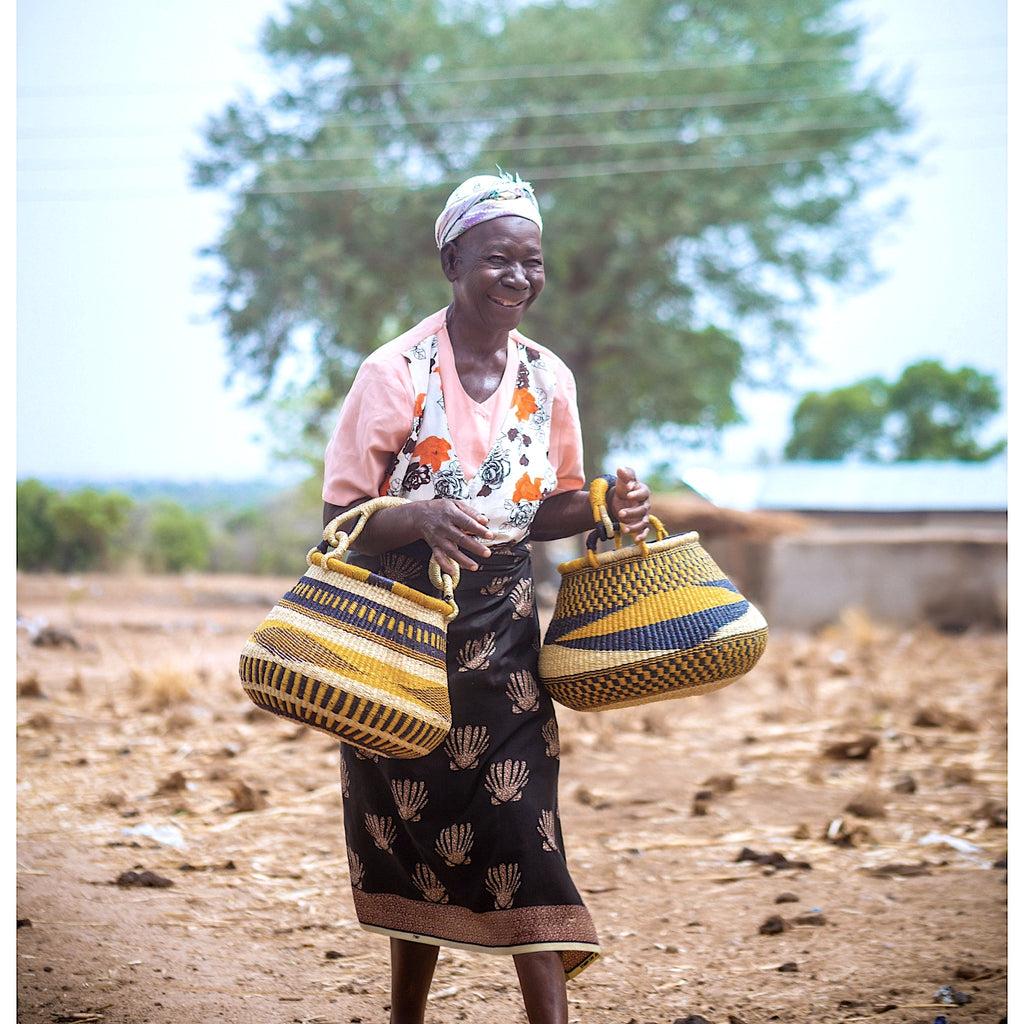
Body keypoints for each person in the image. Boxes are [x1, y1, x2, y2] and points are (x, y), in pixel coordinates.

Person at [320, 171, 651, 1024]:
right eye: (498, 259)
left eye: (531, 262)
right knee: (409, 836)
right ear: (451, 258)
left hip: (504, 641)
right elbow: (338, 521)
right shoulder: (394, 372)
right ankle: (406, 1018)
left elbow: (549, 508)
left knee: (524, 832)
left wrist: (611, 508)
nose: (518, 277)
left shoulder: (550, 378)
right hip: (400, 639)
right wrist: (417, 515)